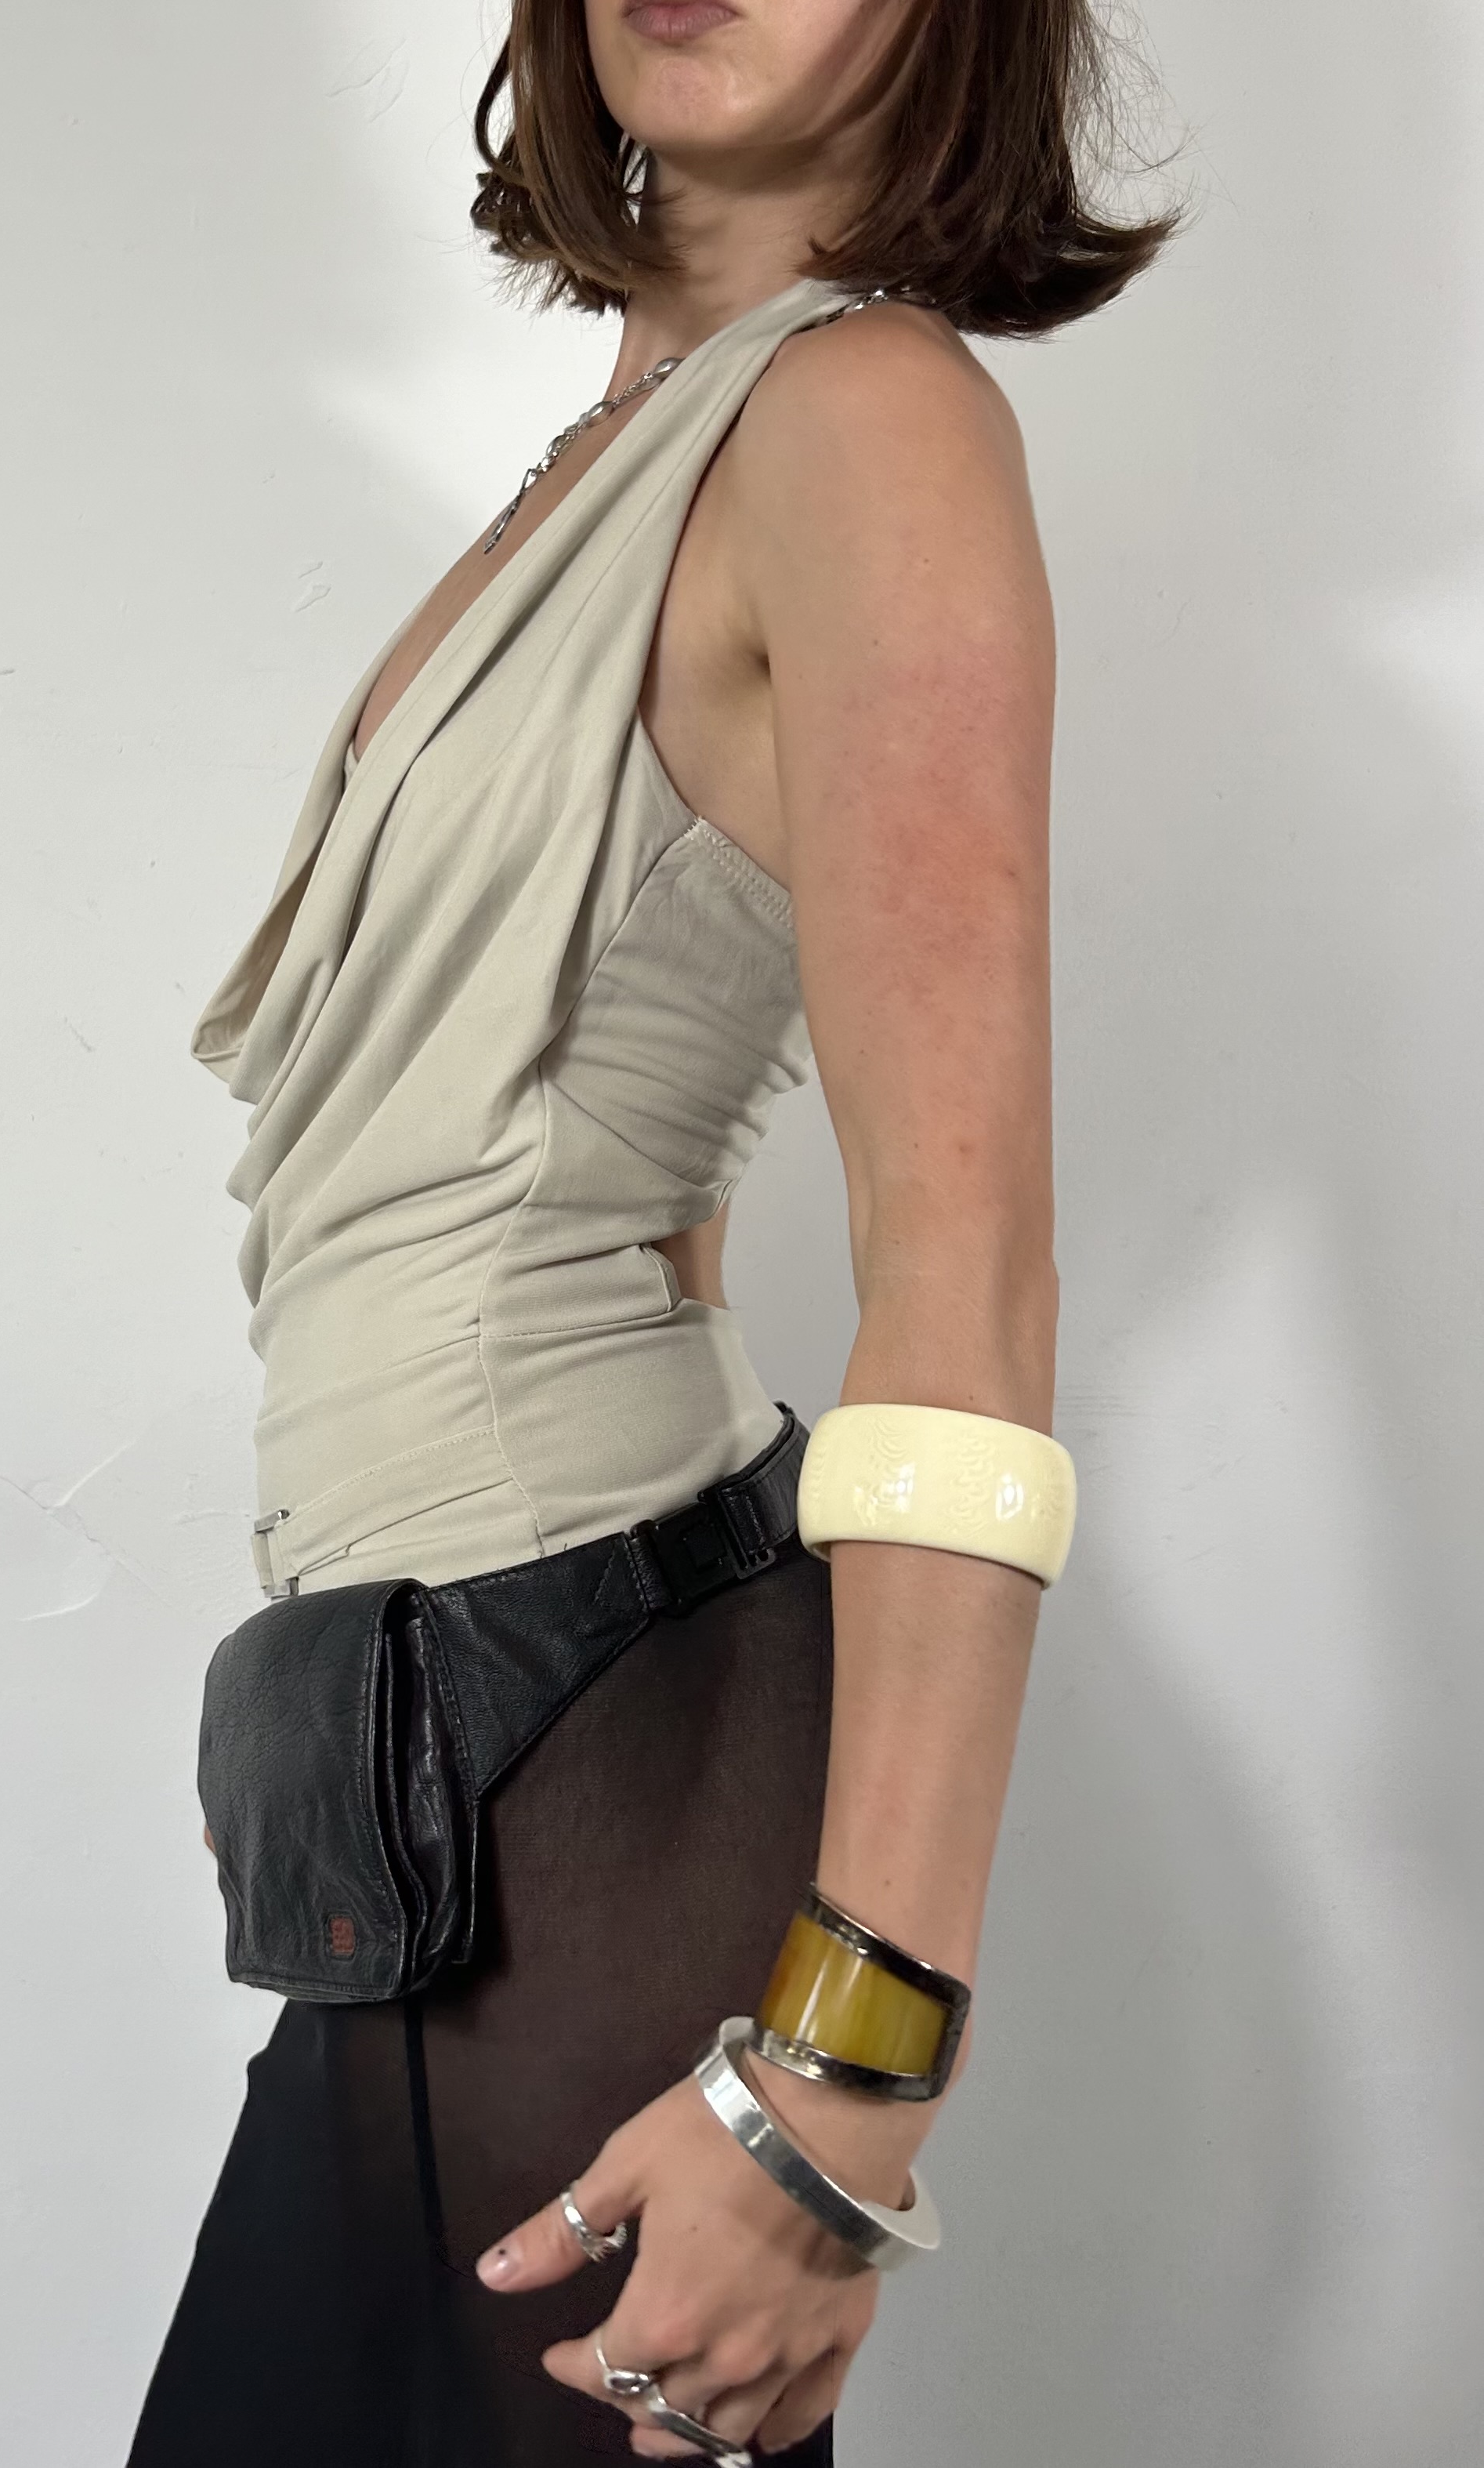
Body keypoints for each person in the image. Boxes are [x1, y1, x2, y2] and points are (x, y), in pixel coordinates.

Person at [127, 2, 1169, 2459]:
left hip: (589, 1735)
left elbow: (965, 1278)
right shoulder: (635, 443)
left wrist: (847, 2085)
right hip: (438, 1744)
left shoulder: (866, 417)